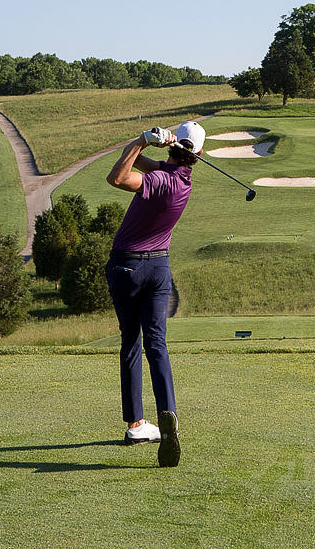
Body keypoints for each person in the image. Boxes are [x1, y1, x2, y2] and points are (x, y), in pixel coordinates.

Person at [104, 120, 206, 467]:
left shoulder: (160, 180)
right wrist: (149, 144)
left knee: (131, 344)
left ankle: (136, 424)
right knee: (157, 345)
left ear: (177, 146)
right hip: (159, 269)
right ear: (199, 155)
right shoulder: (182, 181)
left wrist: (142, 141)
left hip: (127, 268)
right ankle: (168, 415)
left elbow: (118, 177)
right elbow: (135, 161)